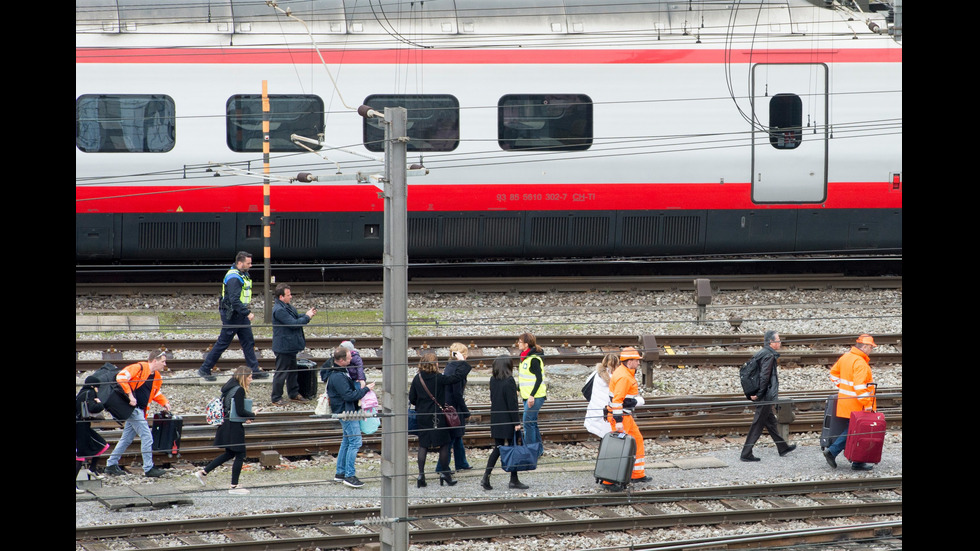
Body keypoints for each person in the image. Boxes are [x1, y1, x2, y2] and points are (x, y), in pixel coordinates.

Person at [198, 251, 267, 381]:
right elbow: (235, 300)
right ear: (240, 263)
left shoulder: (241, 274)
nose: (251, 265)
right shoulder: (234, 278)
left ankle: (254, 370)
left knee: (248, 342)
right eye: (248, 263)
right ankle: (205, 369)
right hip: (233, 315)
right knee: (223, 343)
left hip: (239, 314)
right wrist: (247, 312)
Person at [104, 349, 171, 477]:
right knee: (147, 437)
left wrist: (164, 402)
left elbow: (154, 392)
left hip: (139, 410)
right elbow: (121, 377)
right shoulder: (139, 367)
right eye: (163, 361)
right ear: (155, 360)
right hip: (133, 409)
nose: (164, 364)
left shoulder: (156, 376)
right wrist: (130, 395)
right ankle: (148, 468)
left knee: (126, 439)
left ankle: (111, 464)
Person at [409, 352, 471, 488]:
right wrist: (461, 361)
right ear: (435, 364)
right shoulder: (439, 378)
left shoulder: (417, 378)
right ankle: (444, 474)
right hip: (438, 417)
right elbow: (458, 377)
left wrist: (422, 404)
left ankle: (421, 476)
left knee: (423, 445)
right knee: (444, 444)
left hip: (423, 416)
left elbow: (412, 398)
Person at [195, 367, 256, 494]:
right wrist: (252, 414)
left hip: (226, 424)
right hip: (233, 427)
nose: (251, 379)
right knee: (240, 454)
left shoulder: (229, 388)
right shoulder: (239, 390)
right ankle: (234, 486)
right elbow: (239, 411)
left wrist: (245, 418)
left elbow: (232, 410)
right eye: (250, 377)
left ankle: (203, 472)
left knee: (230, 453)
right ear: (243, 377)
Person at [823, 334, 877, 471]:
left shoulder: (846, 357)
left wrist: (843, 388)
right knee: (856, 432)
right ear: (864, 346)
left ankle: (857, 462)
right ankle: (833, 452)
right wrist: (868, 405)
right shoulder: (860, 363)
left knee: (855, 431)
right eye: (871, 347)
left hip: (845, 403)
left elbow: (833, 374)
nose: (871, 349)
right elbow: (859, 387)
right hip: (857, 405)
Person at [740, 331, 797, 461]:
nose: (780, 342)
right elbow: (764, 377)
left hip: (761, 393)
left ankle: (782, 447)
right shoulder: (769, 356)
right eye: (778, 340)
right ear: (771, 342)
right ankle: (746, 453)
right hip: (764, 395)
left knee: (770, 422)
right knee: (758, 424)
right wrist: (759, 395)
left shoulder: (762, 352)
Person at [325, 346, 375, 488]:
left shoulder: (338, 371)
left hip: (346, 412)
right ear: (341, 360)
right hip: (346, 413)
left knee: (346, 442)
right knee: (355, 442)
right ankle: (349, 475)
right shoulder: (338, 376)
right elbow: (349, 396)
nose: (351, 359)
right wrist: (366, 389)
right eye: (348, 357)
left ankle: (340, 473)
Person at [481, 356, 529, 491]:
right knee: (513, 447)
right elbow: (512, 404)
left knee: (498, 448)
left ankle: (486, 476)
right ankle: (514, 480)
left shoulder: (493, 380)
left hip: (496, 419)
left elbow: (493, 399)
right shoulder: (509, 381)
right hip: (508, 420)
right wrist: (516, 422)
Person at [605, 347, 650, 485]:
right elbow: (617, 401)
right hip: (621, 417)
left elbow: (622, 399)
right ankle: (609, 481)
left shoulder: (626, 373)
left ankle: (637, 474)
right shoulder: (624, 377)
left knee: (637, 440)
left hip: (626, 416)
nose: (638, 363)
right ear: (629, 361)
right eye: (637, 361)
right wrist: (618, 421)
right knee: (620, 447)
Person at [270, 283, 317, 404]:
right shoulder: (279, 310)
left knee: (292, 371)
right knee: (281, 372)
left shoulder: (285, 306)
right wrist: (307, 317)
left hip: (289, 346)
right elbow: (294, 324)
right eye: (288, 294)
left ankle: (293, 393)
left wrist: (307, 314)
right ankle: (276, 397)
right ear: (281, 297)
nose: (291, 296)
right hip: (284, 347)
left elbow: (295, 317)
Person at [436, 343, 473, 473]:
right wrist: (465, 410)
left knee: (457, 436)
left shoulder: (449, 367)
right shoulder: (458, 370)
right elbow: (457, 393)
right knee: (452, 438)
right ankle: (441, 467)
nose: (467, 356)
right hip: (454, 408)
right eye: (465, 353)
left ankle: (461, 462)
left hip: (449, 405)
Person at [76, 375, 110, 493]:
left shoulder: (81, 393)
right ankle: (91, 469)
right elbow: (93, 407)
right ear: (93, 386)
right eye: (97, 387)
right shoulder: (89, 392)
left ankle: (92, 469)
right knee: (80, 456)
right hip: (80, 428)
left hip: (82, 426)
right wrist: (100, 403)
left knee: (101, 445)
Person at [517, 332, 546, 457]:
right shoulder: (525, 357)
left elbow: (539, 379)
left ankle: (529, 452)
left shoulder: (533, 359)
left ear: (526, 344)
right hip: (527, 396)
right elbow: (524, 377)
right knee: (532, 422)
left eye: (519, 342)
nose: (518, 344)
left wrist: (532, 395)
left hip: (535, 396)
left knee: (528, 422)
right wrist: (518, 389)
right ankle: (538, 450)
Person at [584, 353, 619, 439]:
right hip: (607, 415)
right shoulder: (617, 378)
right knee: (609, 436)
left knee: (602, 437)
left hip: (594, 413)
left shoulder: (595, 374)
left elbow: (586, 385)